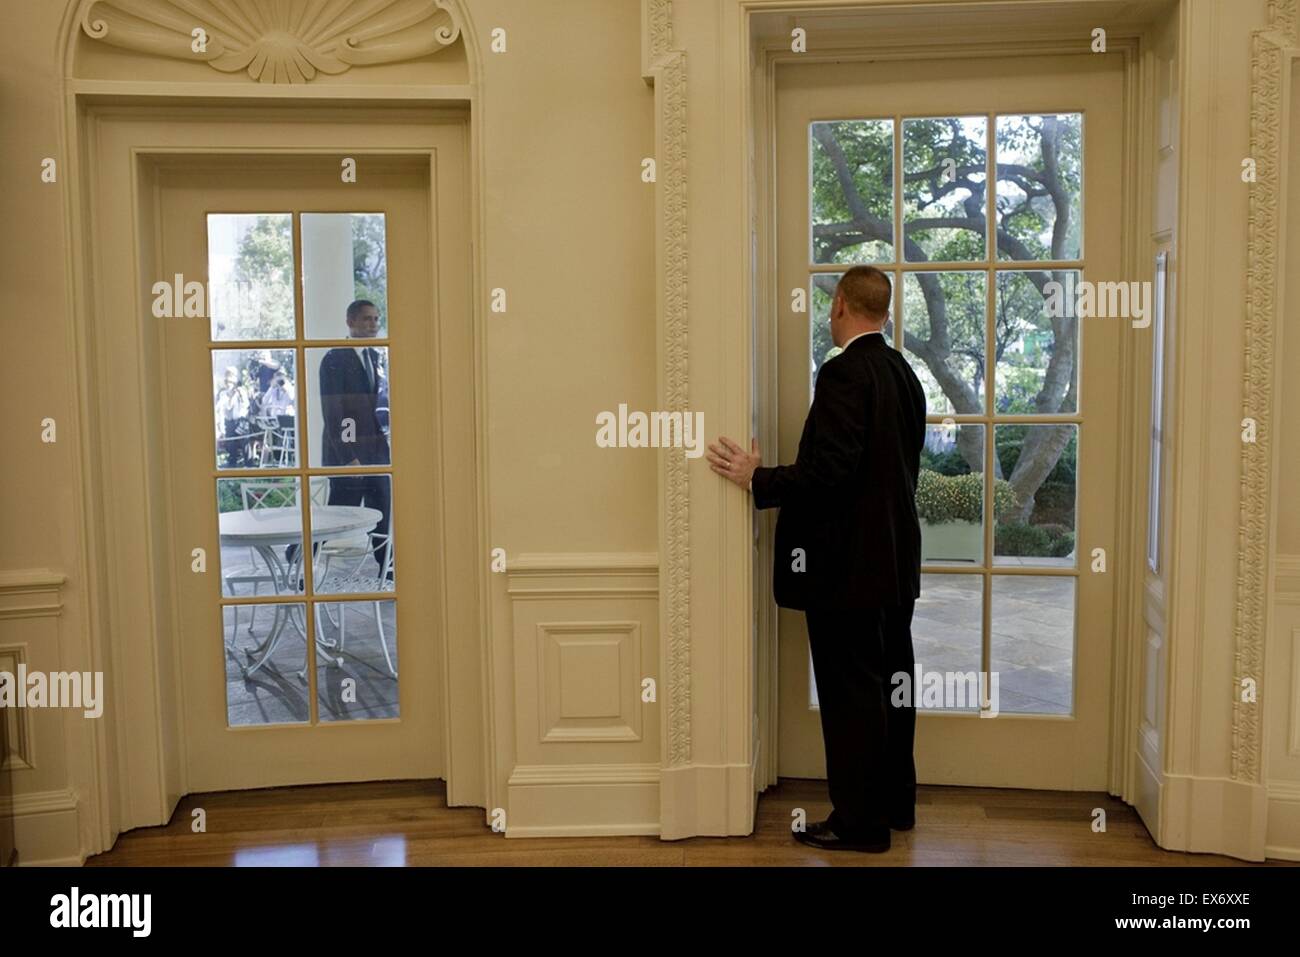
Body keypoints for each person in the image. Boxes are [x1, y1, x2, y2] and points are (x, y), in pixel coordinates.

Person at [706, 265, 925, 853]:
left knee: (853, 695)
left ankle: (860, 825)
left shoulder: (843, 374)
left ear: (843, 308)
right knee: (892, 685)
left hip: (850, 570)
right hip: (898, 563)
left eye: (832, 307)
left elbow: (829, 472)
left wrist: (760, 478)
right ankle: (895, 804)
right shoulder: (905, 374)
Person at [317, 300, 393, 579]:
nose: (373, 324)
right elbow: (337, 414)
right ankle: (299, 554)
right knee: (336, 517)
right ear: (350, 322)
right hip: (348, 456)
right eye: (366, 319)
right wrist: (350, 455)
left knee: (382, 513)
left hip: (376, 453)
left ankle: (388, 570)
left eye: (375, 319)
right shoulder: (334, 359)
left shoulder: (373, 356)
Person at [214, 367, 251, 468]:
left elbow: (246, 406)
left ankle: (249, 464)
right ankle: (232, 462)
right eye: (227, 380)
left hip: (240, 420)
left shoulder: (240, 392)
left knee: (244, 442)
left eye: (230, 380)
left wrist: (242, 420)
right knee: (230, 442)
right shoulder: (222, 393)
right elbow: (218, 408)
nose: (228, 382)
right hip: (228, 421)